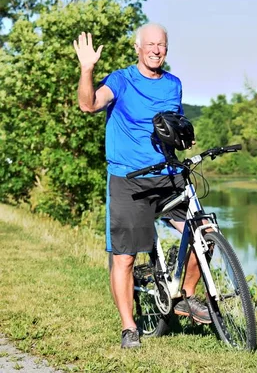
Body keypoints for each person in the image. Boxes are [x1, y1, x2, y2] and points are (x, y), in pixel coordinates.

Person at [73, 23, 210, 349]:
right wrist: (87, 69)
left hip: (167, 175)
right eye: (150, 44)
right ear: (138, 47)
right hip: (128, 180)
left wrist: (186, 136)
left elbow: (173, 126)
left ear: (166, 49)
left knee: (203, 232)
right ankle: (129, 327)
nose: (155, 50)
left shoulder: (173, 84)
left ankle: (185, 296)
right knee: (125, 258)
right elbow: (88, 104)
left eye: (161, 45)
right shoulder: (120, 80)